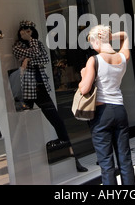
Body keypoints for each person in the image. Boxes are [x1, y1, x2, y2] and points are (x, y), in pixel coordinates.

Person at [13, 20, 87, 172]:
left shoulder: (37, 43)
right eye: (23, 30)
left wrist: (28, 57)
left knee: (58, 121)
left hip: (41, 89)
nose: (26, 32)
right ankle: (16, 164)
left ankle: (73, 159)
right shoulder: (17, 46)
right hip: (27, 89)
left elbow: (45, 59)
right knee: (20, 126)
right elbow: (32, 54)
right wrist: (29, 54)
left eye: (29, 30)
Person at [78, 25, 135, 185]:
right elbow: (125, 35)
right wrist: (111, 36)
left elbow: (85, 89)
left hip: (102, 114)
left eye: (92, 42)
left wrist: (83, 75)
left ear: (97, 41)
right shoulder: (122, 58)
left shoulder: (94, 60)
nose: (93, 47)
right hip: (119, 110)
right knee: (125, 159)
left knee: (106, 162)